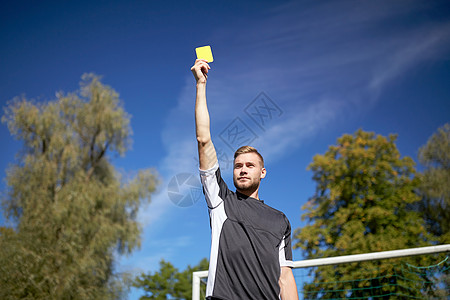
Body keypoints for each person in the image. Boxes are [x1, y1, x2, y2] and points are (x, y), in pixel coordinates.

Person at [191, 58, 299, 300]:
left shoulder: (280, 220)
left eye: (250, 165)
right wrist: (201, 85)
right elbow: (203, 139)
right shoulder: (221, 201)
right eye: (238, 166)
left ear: (262, 172)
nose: (242, 169)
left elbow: (285, 278)